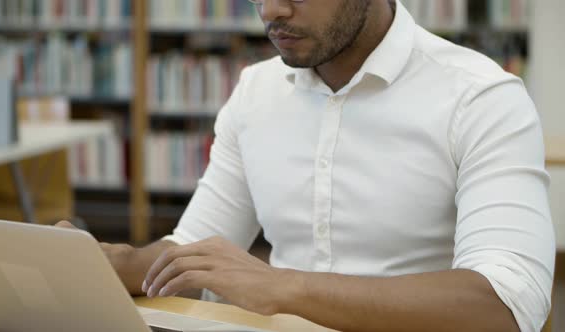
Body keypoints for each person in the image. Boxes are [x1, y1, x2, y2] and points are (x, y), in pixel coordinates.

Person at [59, 0, 555, 331]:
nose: (272, 8)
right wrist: (116, 262)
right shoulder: (256, 92)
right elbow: (195, 252)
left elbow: (505, 304)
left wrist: (282, 286)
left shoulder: (481, 98)